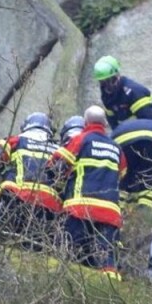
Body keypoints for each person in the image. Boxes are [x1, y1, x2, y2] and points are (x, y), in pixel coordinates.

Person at [47, 106, 127, 280]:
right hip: (110, 211)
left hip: (80, 208)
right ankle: (111, 293)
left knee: (67, 251)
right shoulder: (116, 148)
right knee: (107, 259)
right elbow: (122, 174)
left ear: (85, 123)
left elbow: (55, 165)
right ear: (105, 124)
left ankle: (64, 285)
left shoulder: (79, 140)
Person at [0, 112, 62, 250]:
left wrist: (3, 171)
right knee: (35, 242)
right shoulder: (58, 149)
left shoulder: (17, 140)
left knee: (7, 188)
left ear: (26, 126)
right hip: (49, 206)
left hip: (20, 198)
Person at [94, 55, 152, 146]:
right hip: (141, 130)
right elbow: (113, 122)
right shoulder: (106, 96)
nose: (108, 86)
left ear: (117, 75)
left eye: (110, 80)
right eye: (103, 82)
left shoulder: (134, 92)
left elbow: (148, 119)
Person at [111, 118, 152, 210]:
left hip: (122, 141)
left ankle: (120, 210)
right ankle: (144, 211)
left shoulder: (121, 126)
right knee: (150, 178)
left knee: (125, 178)